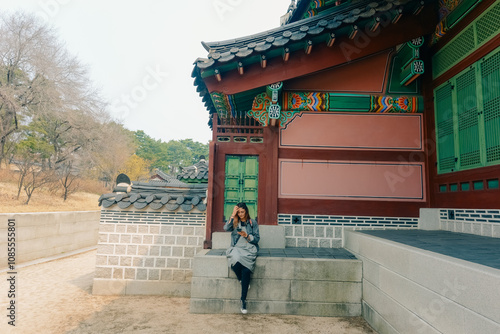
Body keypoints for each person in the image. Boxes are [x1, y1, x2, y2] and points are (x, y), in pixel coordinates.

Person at [224, 202, 260, 314]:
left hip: (249, 248)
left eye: (242, 212)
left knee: (246, 270)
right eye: (238, 212)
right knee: (235, 260)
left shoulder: (252, 223)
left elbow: (257, 238)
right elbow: (226, 228)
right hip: (237, 247)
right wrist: (232, 214)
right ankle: (241, 279)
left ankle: (243, 300)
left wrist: (247, 236)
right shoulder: (235, 222)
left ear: (246, 211)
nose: (240, 214)